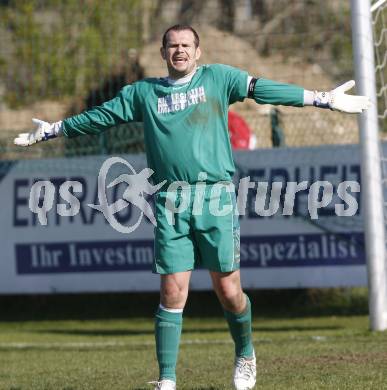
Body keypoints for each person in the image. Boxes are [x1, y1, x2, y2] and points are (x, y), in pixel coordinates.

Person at [14, 24, 370, 390]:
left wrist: (320, 98)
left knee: (229, 292)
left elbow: (262, 89)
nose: (180, 50)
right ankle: (167, 380)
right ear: (163, 53)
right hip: (169, 201)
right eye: (173, 45)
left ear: (198, 52)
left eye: (186, 45)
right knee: (171, 292)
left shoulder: (218, 79)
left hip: (214, 198)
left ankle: (245, 353)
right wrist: (53, 129)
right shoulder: (143, 93)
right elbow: (100, 116)